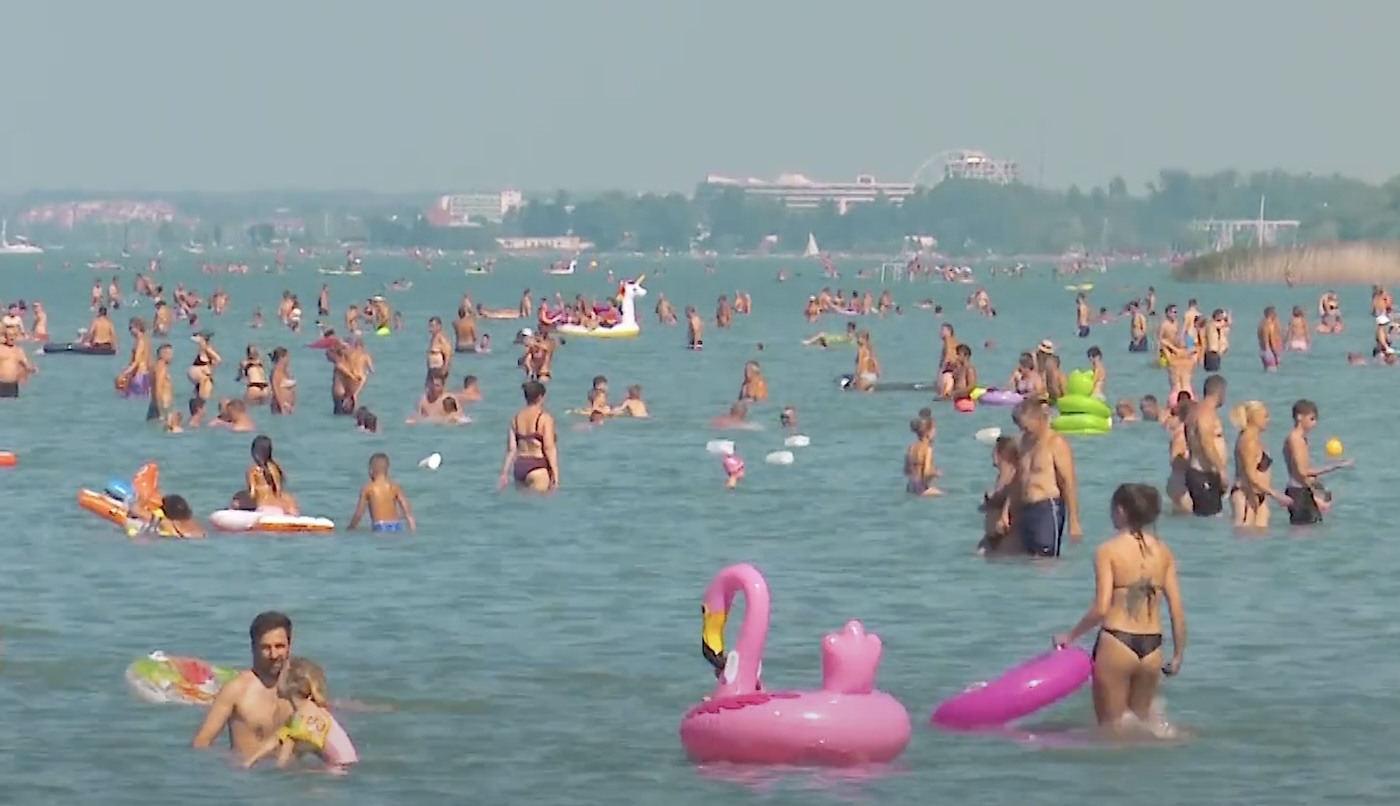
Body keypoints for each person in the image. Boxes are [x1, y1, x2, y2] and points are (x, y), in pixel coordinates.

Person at [1053, 483, 1187, 733]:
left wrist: (1069, 637)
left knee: (1111, 730)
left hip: (1117, 642)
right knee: (1141, 728)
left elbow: (1102, 607)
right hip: (1153, 647)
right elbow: (1177, 611)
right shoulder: (1164, 553)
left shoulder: (1108, 551)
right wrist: (1178, 655)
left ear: (1122, 511)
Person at [192, 612, 295, 760]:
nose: (273, 655)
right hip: (248, 778)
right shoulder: (236, 690)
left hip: (288, 777)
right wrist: (230, 761)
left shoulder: (300, 688)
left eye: (279, 646)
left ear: (289, 647)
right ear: (253, 648)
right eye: (266, 647)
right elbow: (201, 743)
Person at [241, 657, 358, 771]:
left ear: (290, 686)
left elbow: (283, 758)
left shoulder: (300, 719)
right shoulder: (312, 709)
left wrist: (277, 769)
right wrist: (250, 760)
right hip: (349, 766)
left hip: (338, 770)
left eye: (280, 676)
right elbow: (276, 739)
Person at [1011, 399, 1083, 556]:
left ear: (1039, 419)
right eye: (1020, 427)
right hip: (1026, 509)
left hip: (1048, 508)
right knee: (1025, 561)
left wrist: (1074, 520)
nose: (1023, 430)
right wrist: (1007, 512)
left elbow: (1068, 482)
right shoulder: (1024, 442)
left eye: (1026, 426)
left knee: (1045, 561)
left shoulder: (1056, 442)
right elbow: (1018, 479)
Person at [499, 380, 558, 492]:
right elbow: (549, 448)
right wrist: (555, 474)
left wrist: (504, 473)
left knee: (523, 508)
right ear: (541, 397)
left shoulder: (515, 419)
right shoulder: (545, 418)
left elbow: (511, 449)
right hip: (537, 467)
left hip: (520, 466)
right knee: (539, 507)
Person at [1183, 374, 1229, 517]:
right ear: (1220, 392)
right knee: (1212, 521)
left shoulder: (1193, 412)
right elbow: (1206, 442)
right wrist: (1221, 470)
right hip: (1204, 474)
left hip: (1197, 472)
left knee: (1203, 521)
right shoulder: (1206, 413)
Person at [347, 453, 416, 532]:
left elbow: (359, 514)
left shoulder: (368, 488)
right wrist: (412, 529)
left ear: (370, 470)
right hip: (396, 525)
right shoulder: (395, 487)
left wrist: (350, 528)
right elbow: (408, 511)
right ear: (387, 469)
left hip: (380, 526)